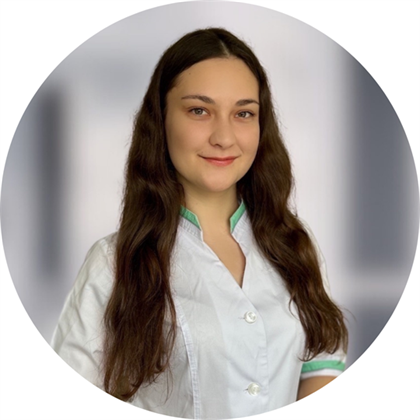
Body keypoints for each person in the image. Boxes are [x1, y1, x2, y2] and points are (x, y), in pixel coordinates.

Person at [51, 27, 348, 419]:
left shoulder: (292, 242)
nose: (224, 137)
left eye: (243, 113)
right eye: (199, 111)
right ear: (161, 119)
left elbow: (322, 361)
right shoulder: (112, 264)